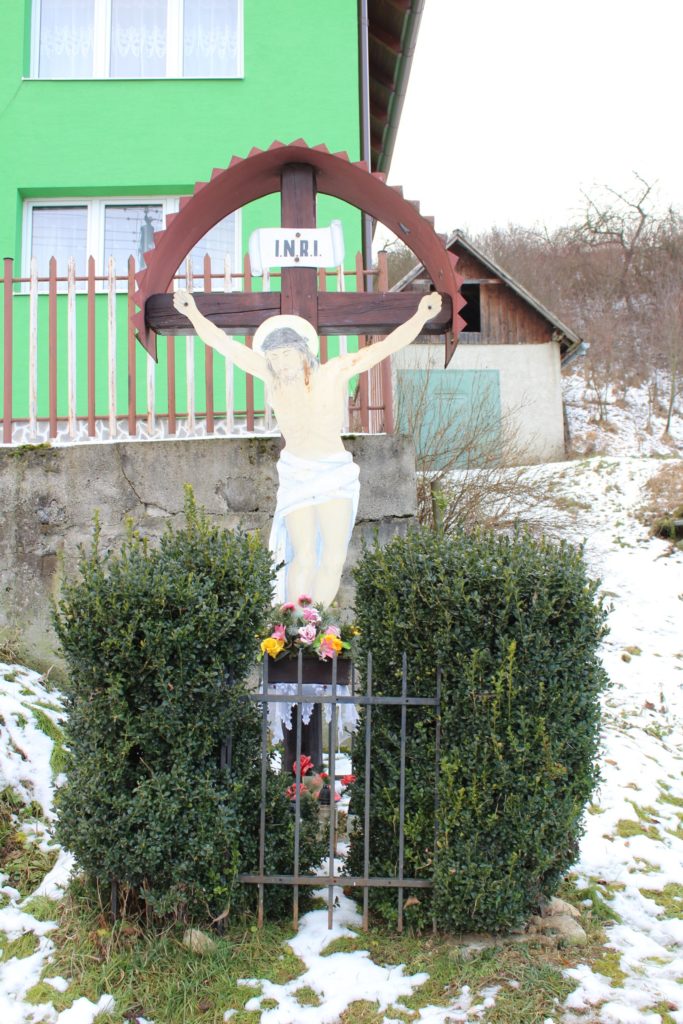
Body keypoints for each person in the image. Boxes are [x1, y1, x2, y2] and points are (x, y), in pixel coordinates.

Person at [172, 289, 442, 605]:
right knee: (301, 556)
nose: (280, 363)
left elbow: (385, 348)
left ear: (303, 352)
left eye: (286, 354)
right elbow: (225, 345)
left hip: (334, 473)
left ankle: (315, 623)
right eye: (274, 357)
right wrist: (193, 313)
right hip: (297, 473)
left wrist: (422, 315)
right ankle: (294, 630)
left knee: (333, 555)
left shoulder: (334, 372)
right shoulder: (271, 379)